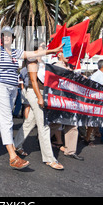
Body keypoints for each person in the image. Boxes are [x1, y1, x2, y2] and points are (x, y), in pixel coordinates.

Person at [0, 27, 64, 170]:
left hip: (13, 89)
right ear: (1, 38)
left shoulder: (15, 52)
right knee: (7, 119)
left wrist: (52, 50)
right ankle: (13, 156)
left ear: (13, 38)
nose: (6, 38)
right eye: (4, 35)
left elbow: (33, 53)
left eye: (9, 36)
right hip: (0, 86)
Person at [13, 42, 65, 170]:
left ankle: (16, 145)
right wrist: (40, 97)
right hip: (34, 92)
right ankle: (49, 158)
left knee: (30, 121)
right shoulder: (32, 61)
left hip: (41, 92)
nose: (45, 48)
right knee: (43, 125)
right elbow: (33, 81)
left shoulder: (42, 63)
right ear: (36, 49)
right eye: (42, 46)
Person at [50, 52, 84, 161]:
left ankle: (70, 151)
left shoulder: (70, 68)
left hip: (70, 100)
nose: (69, 56)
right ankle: (42, 140)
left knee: (73, 125)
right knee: (55, 124)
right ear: (59, 54)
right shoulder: (55, 65)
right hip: (59, 99)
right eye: (66, 53)